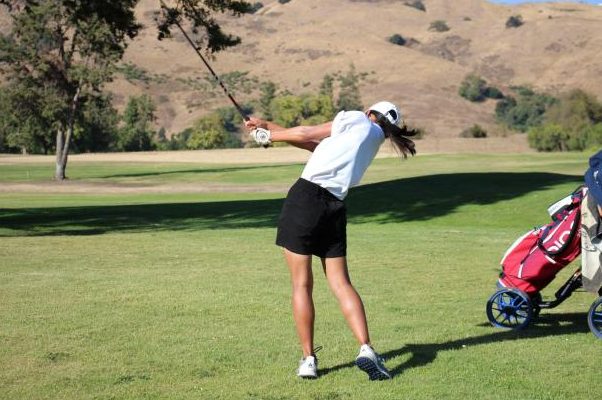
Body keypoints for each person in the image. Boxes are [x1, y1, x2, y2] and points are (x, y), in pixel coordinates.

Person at [245, 101, 417, 380]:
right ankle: (366, 348)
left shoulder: (356, 119)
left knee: (302, 283)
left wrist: (270, 137)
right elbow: (315, 145)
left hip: (306, 200)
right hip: (335, 207)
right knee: (341, 283)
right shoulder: (372, 140)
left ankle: (308, 359)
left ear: (370, 113)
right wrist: (266, 126)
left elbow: (305, 133)